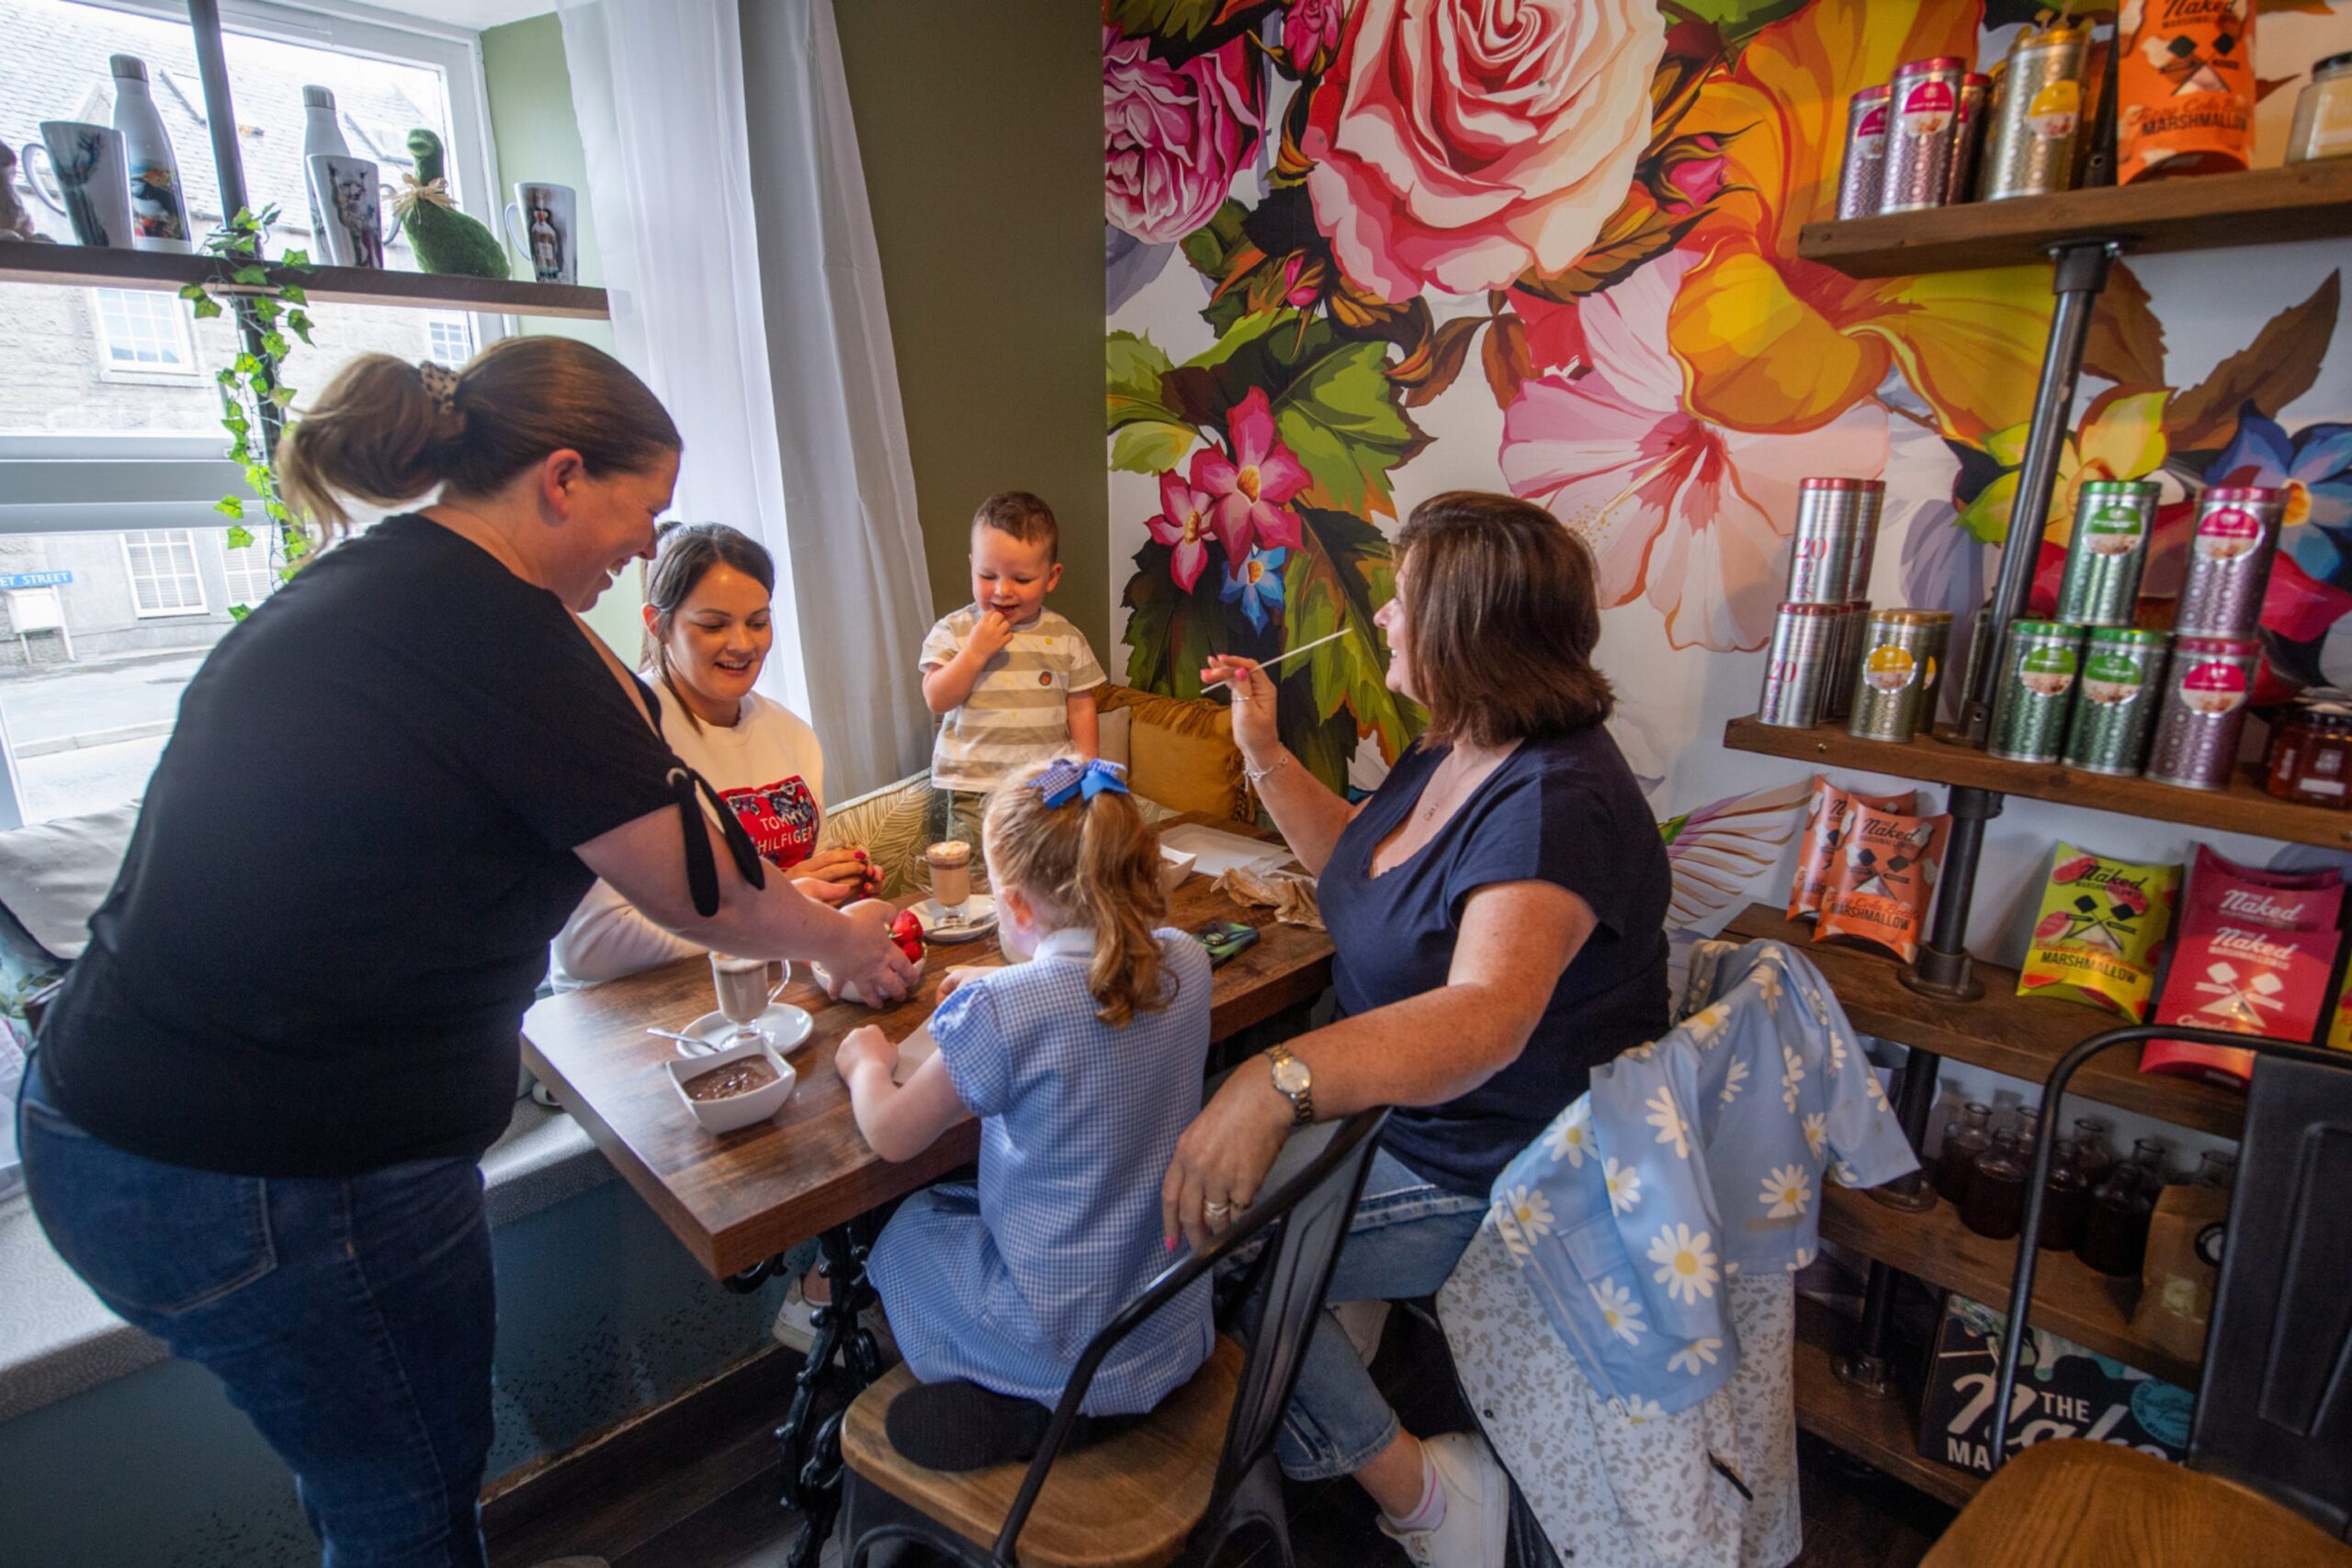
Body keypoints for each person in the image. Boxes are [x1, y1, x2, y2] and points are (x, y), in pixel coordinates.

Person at [14, 338, 915, 1568]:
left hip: (122, 1120)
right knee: (407, 1496)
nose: (644, 547)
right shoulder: (495, 638)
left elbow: (622, 775)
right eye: (641, 511)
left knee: (362, 1468)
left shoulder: (402, 583)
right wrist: (848, 945)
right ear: (559, 476)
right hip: (263, 1164)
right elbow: (704, 887)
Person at [1163, 491, 1672, 1568]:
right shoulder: (1462, 744)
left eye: (1402, 603)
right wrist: (1261, 750)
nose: (1384, 619)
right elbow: (1365, 867)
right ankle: (1325, 1354)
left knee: (1213, 1249)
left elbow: (1484, 1018)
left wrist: (1272, 1079)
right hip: (1406, 1119)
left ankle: (1433, 1502)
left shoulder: (1555, 800)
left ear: (1464, 630)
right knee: (1204, 1206)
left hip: (1494, 1156)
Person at [833, 757, 1214, 1471]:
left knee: (911, 1231)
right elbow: (1090, 987)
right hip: (1165, 1315)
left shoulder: (1003, 1014)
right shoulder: (1188, 964)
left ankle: (1033, 1397)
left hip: (1065, 1331)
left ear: (1013, 906)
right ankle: (1068, 1403)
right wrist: (1014, 980)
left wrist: (863, 1061)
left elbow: (892, 1132)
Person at [551, 521, 876, 989]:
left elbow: (795, 878)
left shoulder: (792, 733)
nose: (743, 644)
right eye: (713, 624)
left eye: (758, 622)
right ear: (656, 624)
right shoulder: (618, 738)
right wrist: (778, 911)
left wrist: (838, 884)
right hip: (635, 1013)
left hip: (769, 984)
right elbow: (590, 947)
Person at [918, 491, 1105, 853]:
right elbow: (937, 698)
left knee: (1045, 872)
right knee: (979, 884)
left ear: (1051, 577)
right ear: (972, 565)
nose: (1002, 591)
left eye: (1021, 579)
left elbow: (1081, 706)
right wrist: (974, 653)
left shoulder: (1066, 638)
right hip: (974, 787)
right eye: (987, 575)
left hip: (1047, 787)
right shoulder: (954, 630)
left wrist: (1087, 769)